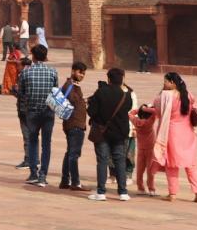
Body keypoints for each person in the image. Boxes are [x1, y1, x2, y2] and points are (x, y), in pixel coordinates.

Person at [151, 71, 197, 203]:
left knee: (172, 165)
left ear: (172, 83)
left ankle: (172, 193)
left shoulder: (165, 96)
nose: (164, 84)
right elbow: (195, 110)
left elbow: (156, 109)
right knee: (191, 165)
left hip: (172, 133)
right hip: (188, 133)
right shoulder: (188, 95)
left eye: (165, 82)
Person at [86, 67, 133, 201]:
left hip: (102, 132)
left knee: (102, 160)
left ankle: (101, 192)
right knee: (119, 160)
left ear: (109, 79)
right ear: (122, 79)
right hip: (119, 132)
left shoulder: (100, 92)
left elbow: (91, 112)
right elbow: (128, 108)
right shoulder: (126, 95)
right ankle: (123, 192)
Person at [17, 43, 59, 187]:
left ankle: (34, 173)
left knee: (33, 141)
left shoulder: (26, 72)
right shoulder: (53, 72)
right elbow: (55, 93)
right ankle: (43, 176)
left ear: (33, 57)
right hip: (48, 112)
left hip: (32, 112)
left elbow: (21, 93)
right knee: (46, 144)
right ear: (45, 56)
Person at [58, 61, 90, 191]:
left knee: (70, 152)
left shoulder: (73, 85)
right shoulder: (70, 85)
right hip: (74, 123)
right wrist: (83, 102)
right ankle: (75, 182)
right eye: (80, 72)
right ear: (73, 71)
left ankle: (65, 180)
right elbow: (73, 101)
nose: (82, 75)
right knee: (74, 154)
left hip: (73, 123)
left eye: (83, 73)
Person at [130, 103, 160, 196]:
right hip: (150, 148)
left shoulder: (135, 121)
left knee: (140, 170)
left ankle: (140, 188)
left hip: (140, 148)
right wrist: (146, 109)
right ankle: (151, 189)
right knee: (150, 170)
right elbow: (155, 112)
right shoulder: (150, 122)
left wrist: (139, 110)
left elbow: (130, 114)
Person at [12, 57, 32, 169]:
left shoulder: (23, 76)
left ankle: (28, 159)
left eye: (18, 65)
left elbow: (21, 94)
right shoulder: (34, 74)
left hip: (24, 109)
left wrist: (14, 90)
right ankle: (35, 159)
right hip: (34, 109)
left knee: (27, 136)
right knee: (33, 136)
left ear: (24, 66)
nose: (17, 67)